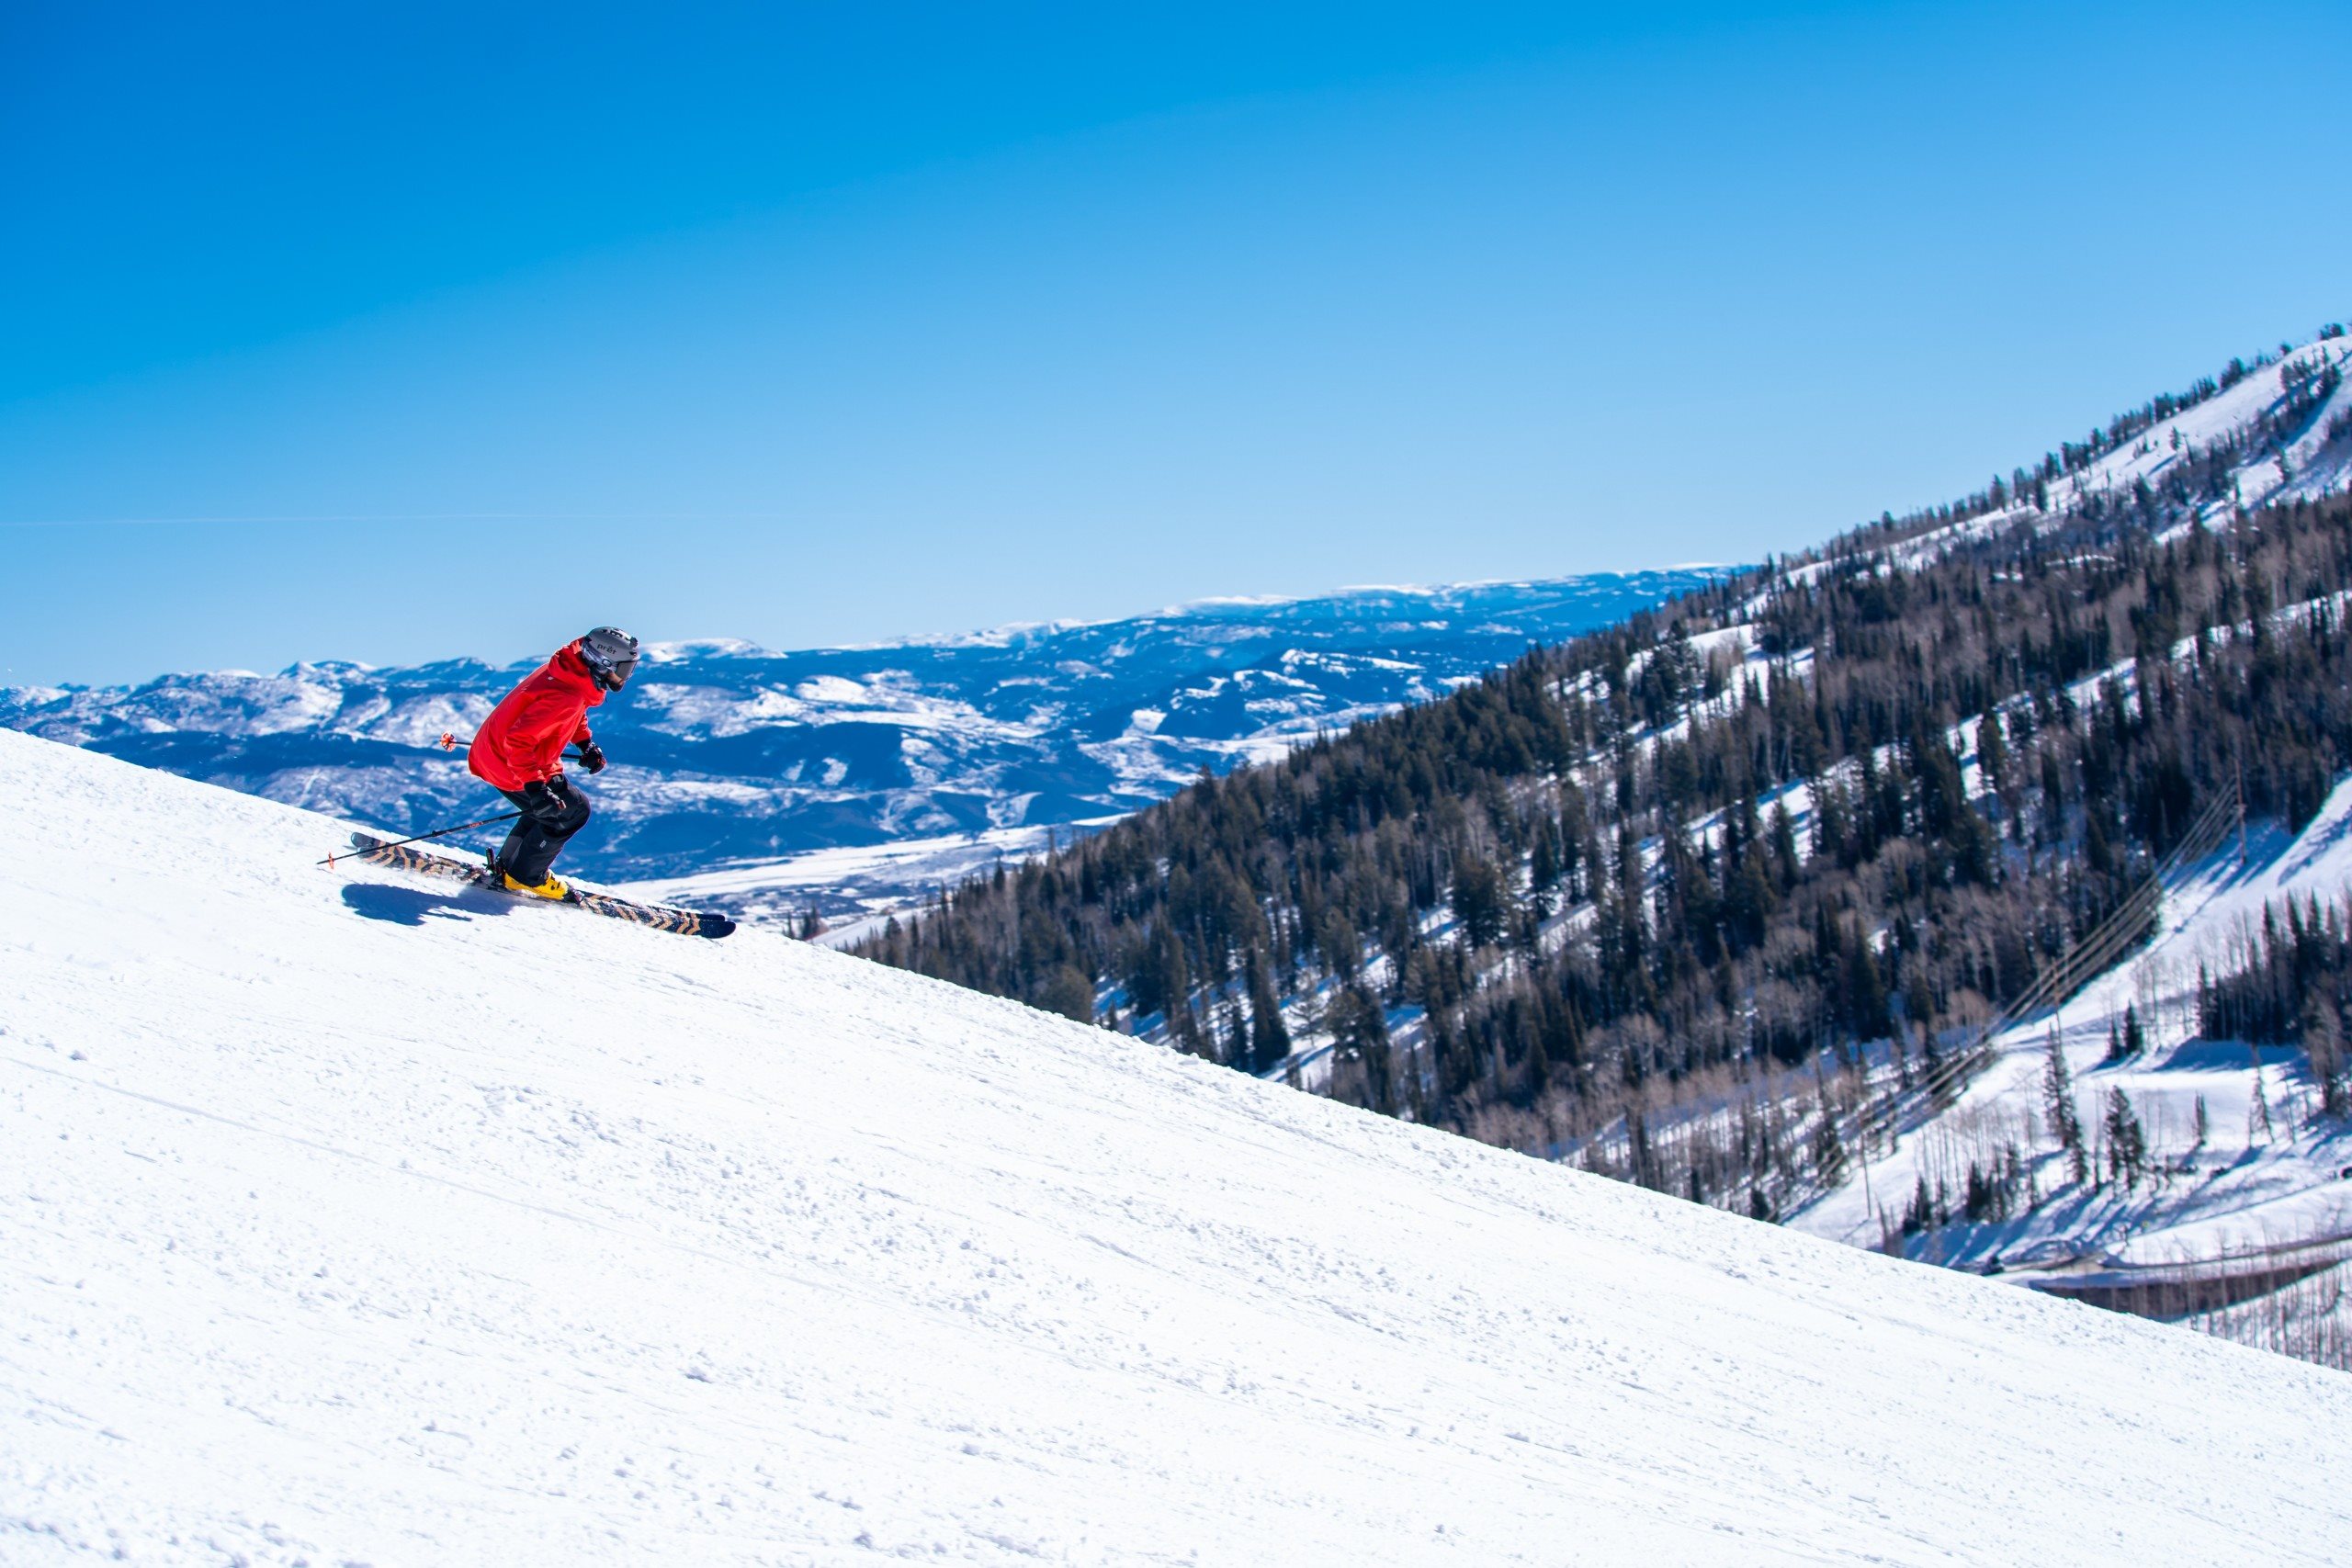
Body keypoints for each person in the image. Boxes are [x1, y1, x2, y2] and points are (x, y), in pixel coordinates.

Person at [468, 626, 639, 898]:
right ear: (603, 662)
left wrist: (584, 742)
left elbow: (568, 716)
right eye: (624, 668)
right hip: (510, 763)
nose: (625, 676)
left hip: (494, 754)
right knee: (572, 812)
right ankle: (525, 876)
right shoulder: (567, 694)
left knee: (549, 811)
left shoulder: (569, 672)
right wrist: (536, 788)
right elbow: (520, 741)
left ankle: (509, 868)